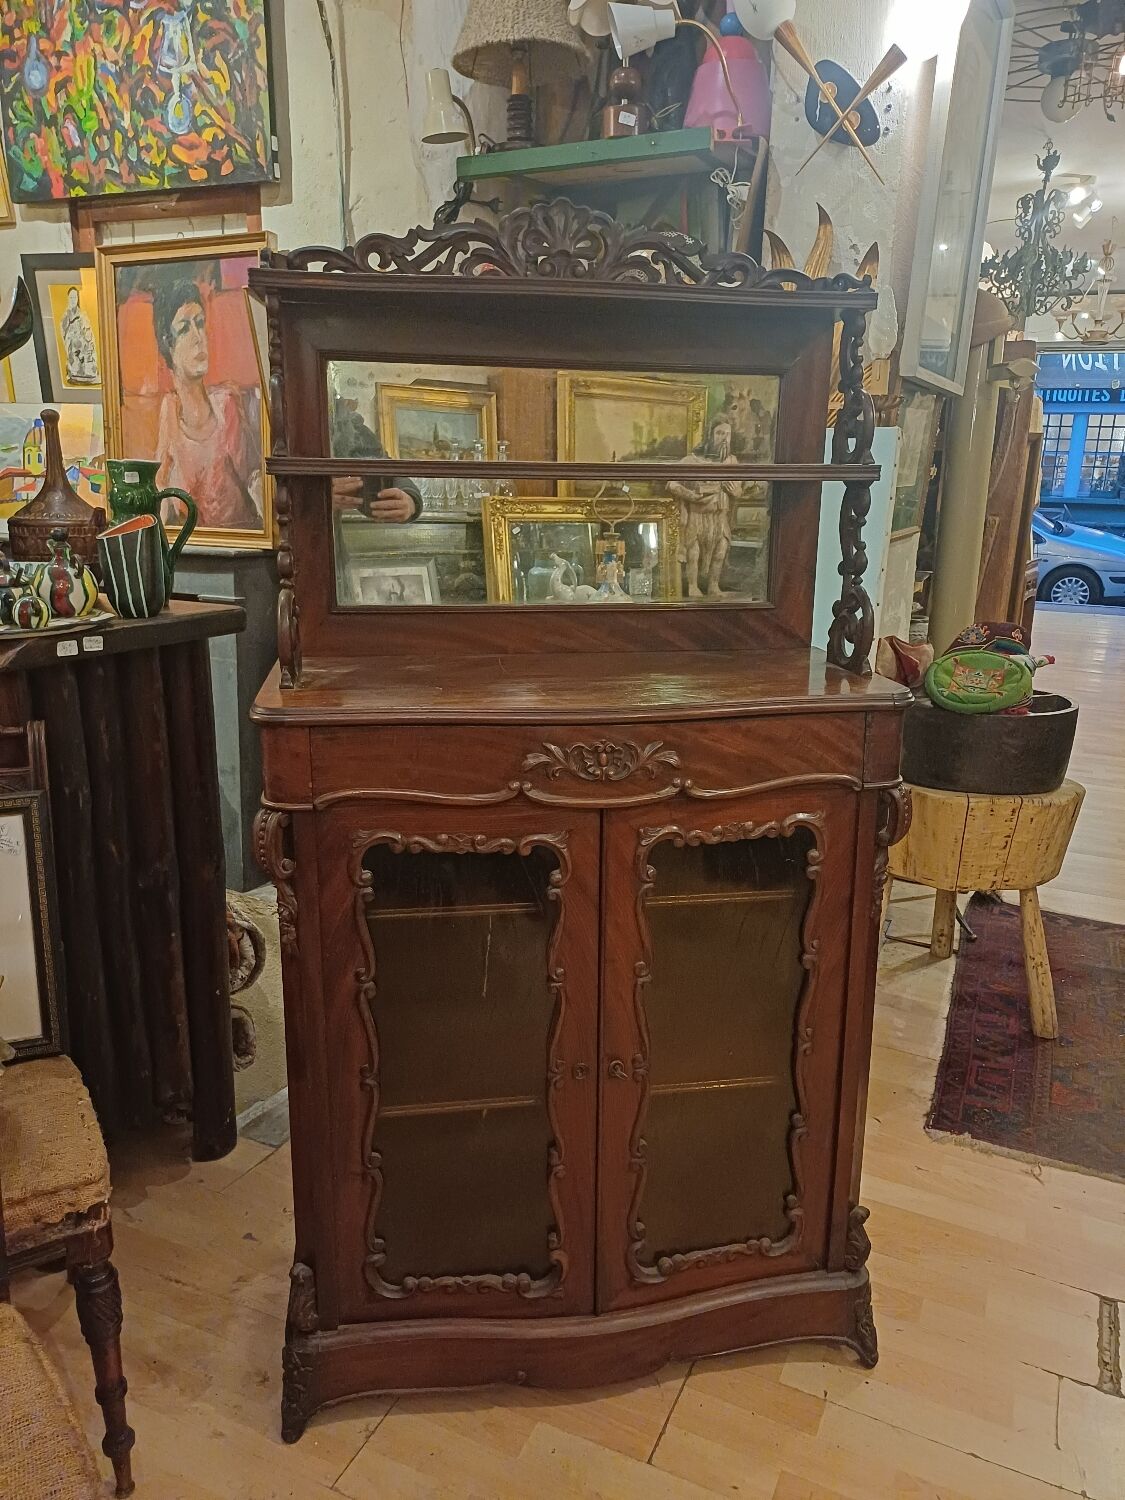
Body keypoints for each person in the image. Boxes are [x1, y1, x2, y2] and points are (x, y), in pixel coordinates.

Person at [153, 277, 263, 530]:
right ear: (167, 345)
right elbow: (160, 497)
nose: (198, 337)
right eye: (184, 329)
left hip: (241, 551)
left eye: (200, 324)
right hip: (192, 553)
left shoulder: (227, 406)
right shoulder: (169, 411)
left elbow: (257, 485)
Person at [669, 415, 741, 598]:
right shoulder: (691, 460)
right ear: (710, 435)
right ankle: (693, 586)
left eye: (728, 434)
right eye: (719, 433)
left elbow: (739, 490)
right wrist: (690, 495)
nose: (724, 438)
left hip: (720, 516)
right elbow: (671, 483)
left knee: (720, 550)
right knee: (694, 553)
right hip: (698, 514)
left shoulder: (731, 462)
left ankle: (713, 585)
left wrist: (735, 492)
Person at [329, 396, 421, 523]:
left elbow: (383, 466)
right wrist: (315, 501)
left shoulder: (341, 415)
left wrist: (410, 501)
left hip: (329, 536)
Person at [59, 285, 99, 385]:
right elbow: (64, 332)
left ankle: (89, 373)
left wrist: (86, 336)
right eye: (71, 297)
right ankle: (75, 373)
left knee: (87, 345)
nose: (73, 300)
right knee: (76, 345)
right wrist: (73, 336)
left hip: (83, 343)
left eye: (75, 297)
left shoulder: (82, 314)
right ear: (68, 298)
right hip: (73, 344)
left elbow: (87, 329)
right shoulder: (66, 316)